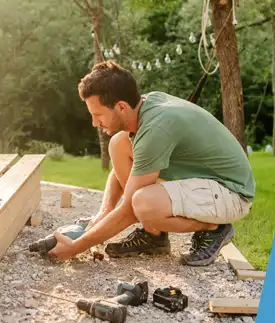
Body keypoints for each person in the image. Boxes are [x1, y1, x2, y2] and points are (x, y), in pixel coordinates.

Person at [48, 61, 255, 266]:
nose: (94, 123)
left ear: (121, 106)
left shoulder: (155, 129)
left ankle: (215, 228)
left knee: (143, 204)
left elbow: (129, 211)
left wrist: (76, 247)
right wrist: (104, 213)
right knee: (118, 144)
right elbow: (129, 170)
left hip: (232, 193)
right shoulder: (144, 107)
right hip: (208, 182)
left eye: (97, 115)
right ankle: (153, 236)